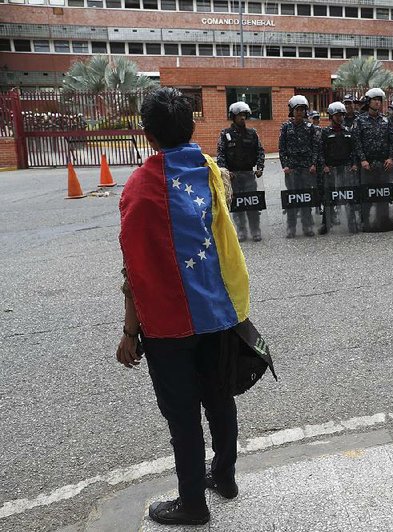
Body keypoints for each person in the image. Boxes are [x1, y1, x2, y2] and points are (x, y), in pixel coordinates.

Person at [117, 87, 250, 526]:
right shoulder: (211, 170)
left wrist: (130, 331)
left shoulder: (139, 187)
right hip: (216, 309)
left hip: (168, 321)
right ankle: (224, 477)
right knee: (219, 396)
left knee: (183, 416)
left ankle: (193, 503)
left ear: (148, 134)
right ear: (191, 127)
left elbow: (135, 268)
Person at [216, 102, 265, 242]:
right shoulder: (225, 134)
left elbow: (260, 151)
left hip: (249, 175)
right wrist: (225, 172)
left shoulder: (252, 133)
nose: (243, 118)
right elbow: (220, 155)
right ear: (233, 117)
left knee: (252, 204)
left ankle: (255, 230)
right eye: (239, 115)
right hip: (234, 177)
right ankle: (241, 231)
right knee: (237, 206)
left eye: (244, 115)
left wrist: (260, 167)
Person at [353, 87, 393, 231]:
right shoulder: (359, 120)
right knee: (367, 193)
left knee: (383, 194)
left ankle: (383, 221)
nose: (378, 102)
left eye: (380, 100)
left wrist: (390, 158)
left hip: (383, 163)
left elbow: (392, 141)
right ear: (368, 102)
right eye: (375, 100)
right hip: (368, 164)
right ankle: (367, 222)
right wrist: (363, 160)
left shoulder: (386, 120)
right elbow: (357, 142)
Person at [279, 95, 319, 238]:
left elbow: (315, 147)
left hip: (307, 168)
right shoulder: (285, 127)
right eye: (297, 110)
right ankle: (291, 228)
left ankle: (307, 227)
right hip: (292, 169)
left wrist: (313, 164)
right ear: (292, 111)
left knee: (306, 198)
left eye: (302, 110)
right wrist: (285, 166)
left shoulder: (310, 128)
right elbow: (282, 149)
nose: (300, 112)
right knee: (292, 199)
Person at [318, 101, 359, 234]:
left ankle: (351, 223)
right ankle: (326, 224)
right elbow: (320, 151)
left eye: (341, 115)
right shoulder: (325, 133)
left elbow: (354, 150)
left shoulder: (348, 131)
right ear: (331, 116)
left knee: (349, 196)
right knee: (329, 197)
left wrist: (353, 164)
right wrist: (324, 165)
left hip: (346, 169)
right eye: (336, 115)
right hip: (331, 169)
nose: (339, 118)